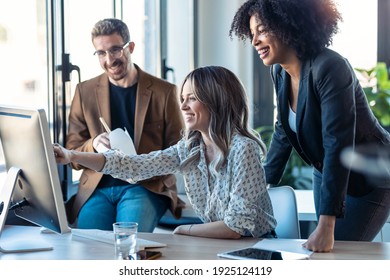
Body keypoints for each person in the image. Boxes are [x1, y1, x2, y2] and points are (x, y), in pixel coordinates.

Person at [230, 0, 390, 252]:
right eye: (251, 34)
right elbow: (283, 132)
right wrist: (257, 188)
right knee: (320, 255)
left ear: (287, 24)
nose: (255, 41)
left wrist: (326, 226)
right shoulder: (280, 72)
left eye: (261, 30)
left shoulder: (331, 66)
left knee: (340, 255)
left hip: (367, 179)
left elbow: (337, 145)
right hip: (325, 171)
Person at [55, 65, 277, 239]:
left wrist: (184, 231)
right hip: (220, 243)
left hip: (256, 248)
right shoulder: (191, 147)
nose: (182, 107)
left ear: (216, 101)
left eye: (192, 98)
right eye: (183, 99)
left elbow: (234, 228)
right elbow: (133, 166)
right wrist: (71, 155)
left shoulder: (243, 149)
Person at [65, 18, 184, 232]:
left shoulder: (164, 92)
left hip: (145, 186)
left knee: (129, 239)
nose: (109, 59)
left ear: (130, 47)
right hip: (97, 187)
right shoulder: (84, 92)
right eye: (101, 53)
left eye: (115, 50)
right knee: (88, 244)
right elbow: (72, 151)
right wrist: (93, 144)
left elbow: (179, 150)